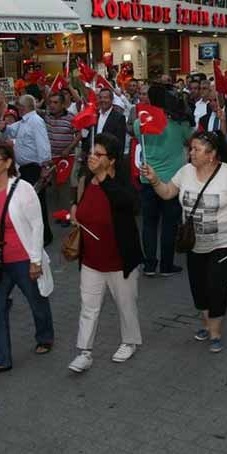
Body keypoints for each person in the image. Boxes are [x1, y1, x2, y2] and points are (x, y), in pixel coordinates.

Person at [141, 131, 227, 353]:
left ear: (211, 155)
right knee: (198, 287)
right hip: (193, 243)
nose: (191, 153)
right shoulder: (185, 172)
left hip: (224, 242)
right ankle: (206, 323)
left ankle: (215, 331)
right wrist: (154, 179)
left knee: (216, 286)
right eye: (190, 149)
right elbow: (166, 193)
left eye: (196, 149)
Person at [0, 142, 54, 379]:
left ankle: (45, 336)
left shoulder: (23, 188)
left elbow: (37, 225)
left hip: (22, 258)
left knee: (36, 301)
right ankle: (0, 360)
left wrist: (36, 261)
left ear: (7, 163)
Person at [68, 134, 143, 372]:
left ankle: (129, 342)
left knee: (125, 304)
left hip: (119, 260)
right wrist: (75, 213)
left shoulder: (120, 184)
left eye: (98, 154)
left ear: (110, 161)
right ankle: (84, 351)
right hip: (91, 259)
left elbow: (129, 204)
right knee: (88, 306)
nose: (92, 157)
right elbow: (80, 207)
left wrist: (102, 177)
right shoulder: (86, 180)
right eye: (91, 153)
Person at [136, 83, 193, 277]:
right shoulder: (179, 124)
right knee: (169, 225)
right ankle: (167, 266)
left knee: (149, 224)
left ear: (150, 99)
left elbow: (138, 137)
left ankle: (150, 265)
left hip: (147, 180)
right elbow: (192, 138)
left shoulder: (140, 123)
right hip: (172, 182)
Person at [0, 94, 53, 245]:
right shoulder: (24, 122)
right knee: (31, 203)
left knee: (36, 203)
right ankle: (38, 235)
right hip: (27, 169)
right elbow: (11, 131)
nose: (17, 109)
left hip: (34, 168)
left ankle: (44, 236)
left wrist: (45, 167)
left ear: (23, 107)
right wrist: (4, 128)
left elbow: (43, 145)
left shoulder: (35, 122)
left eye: (18, 107)